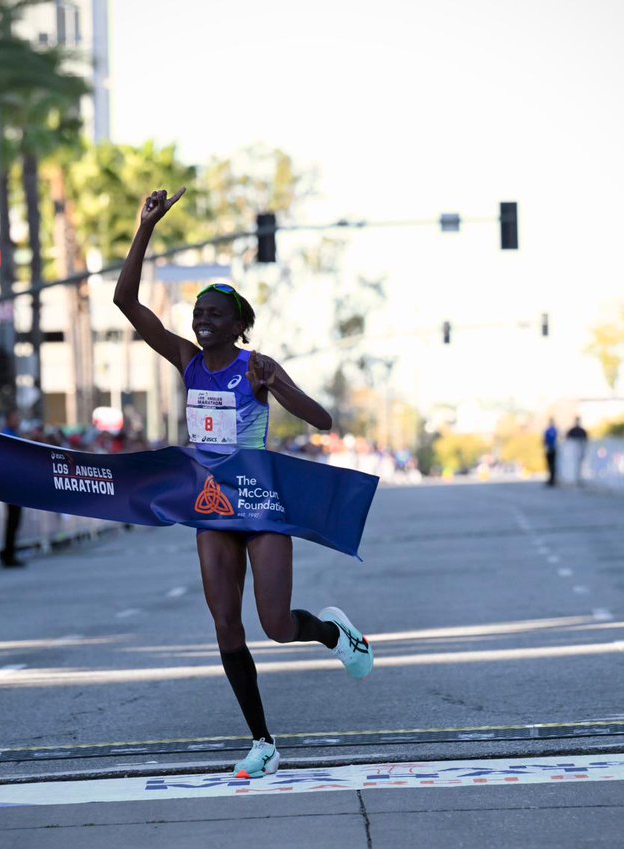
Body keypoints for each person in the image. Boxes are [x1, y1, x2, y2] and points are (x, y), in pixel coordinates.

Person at [113, 188, 373, 779]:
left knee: (276, 625)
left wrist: (277, 382)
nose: (202, 322)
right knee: (225, 624)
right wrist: (145, 226)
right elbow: (125, 299)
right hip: (211, 508)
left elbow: (322, 421)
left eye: (214, 316)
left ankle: (335, 633)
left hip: (258, 504)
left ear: (239, 325)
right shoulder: (187, 361)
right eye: (198, 315)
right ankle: (262, 740)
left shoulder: (255, 368)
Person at [0, 408, 26, 567]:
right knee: (12, 520)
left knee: (15, 521)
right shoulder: (7, 435)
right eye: (15, 418)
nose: (18, 421)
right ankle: (8, 554)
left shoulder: (16, 434)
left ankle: (10, 552)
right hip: (11, 484)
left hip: (16, 483)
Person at [566, 417, 588, 483]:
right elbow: (567, 440)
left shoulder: (582, 431)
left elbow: (586, 441)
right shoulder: (572, 430)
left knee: (579, 465)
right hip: (573, 452)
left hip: (580, 451)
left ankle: (579, 477)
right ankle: (573, 477)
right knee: (573, 465)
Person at [543, 418, 558, 486]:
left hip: (552, 449)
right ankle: (551, 479)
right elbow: (545, 440)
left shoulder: (553, 430)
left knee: (552, 465)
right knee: (550, 465)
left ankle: (552, 479)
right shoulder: (550, 430)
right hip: (550, 449)